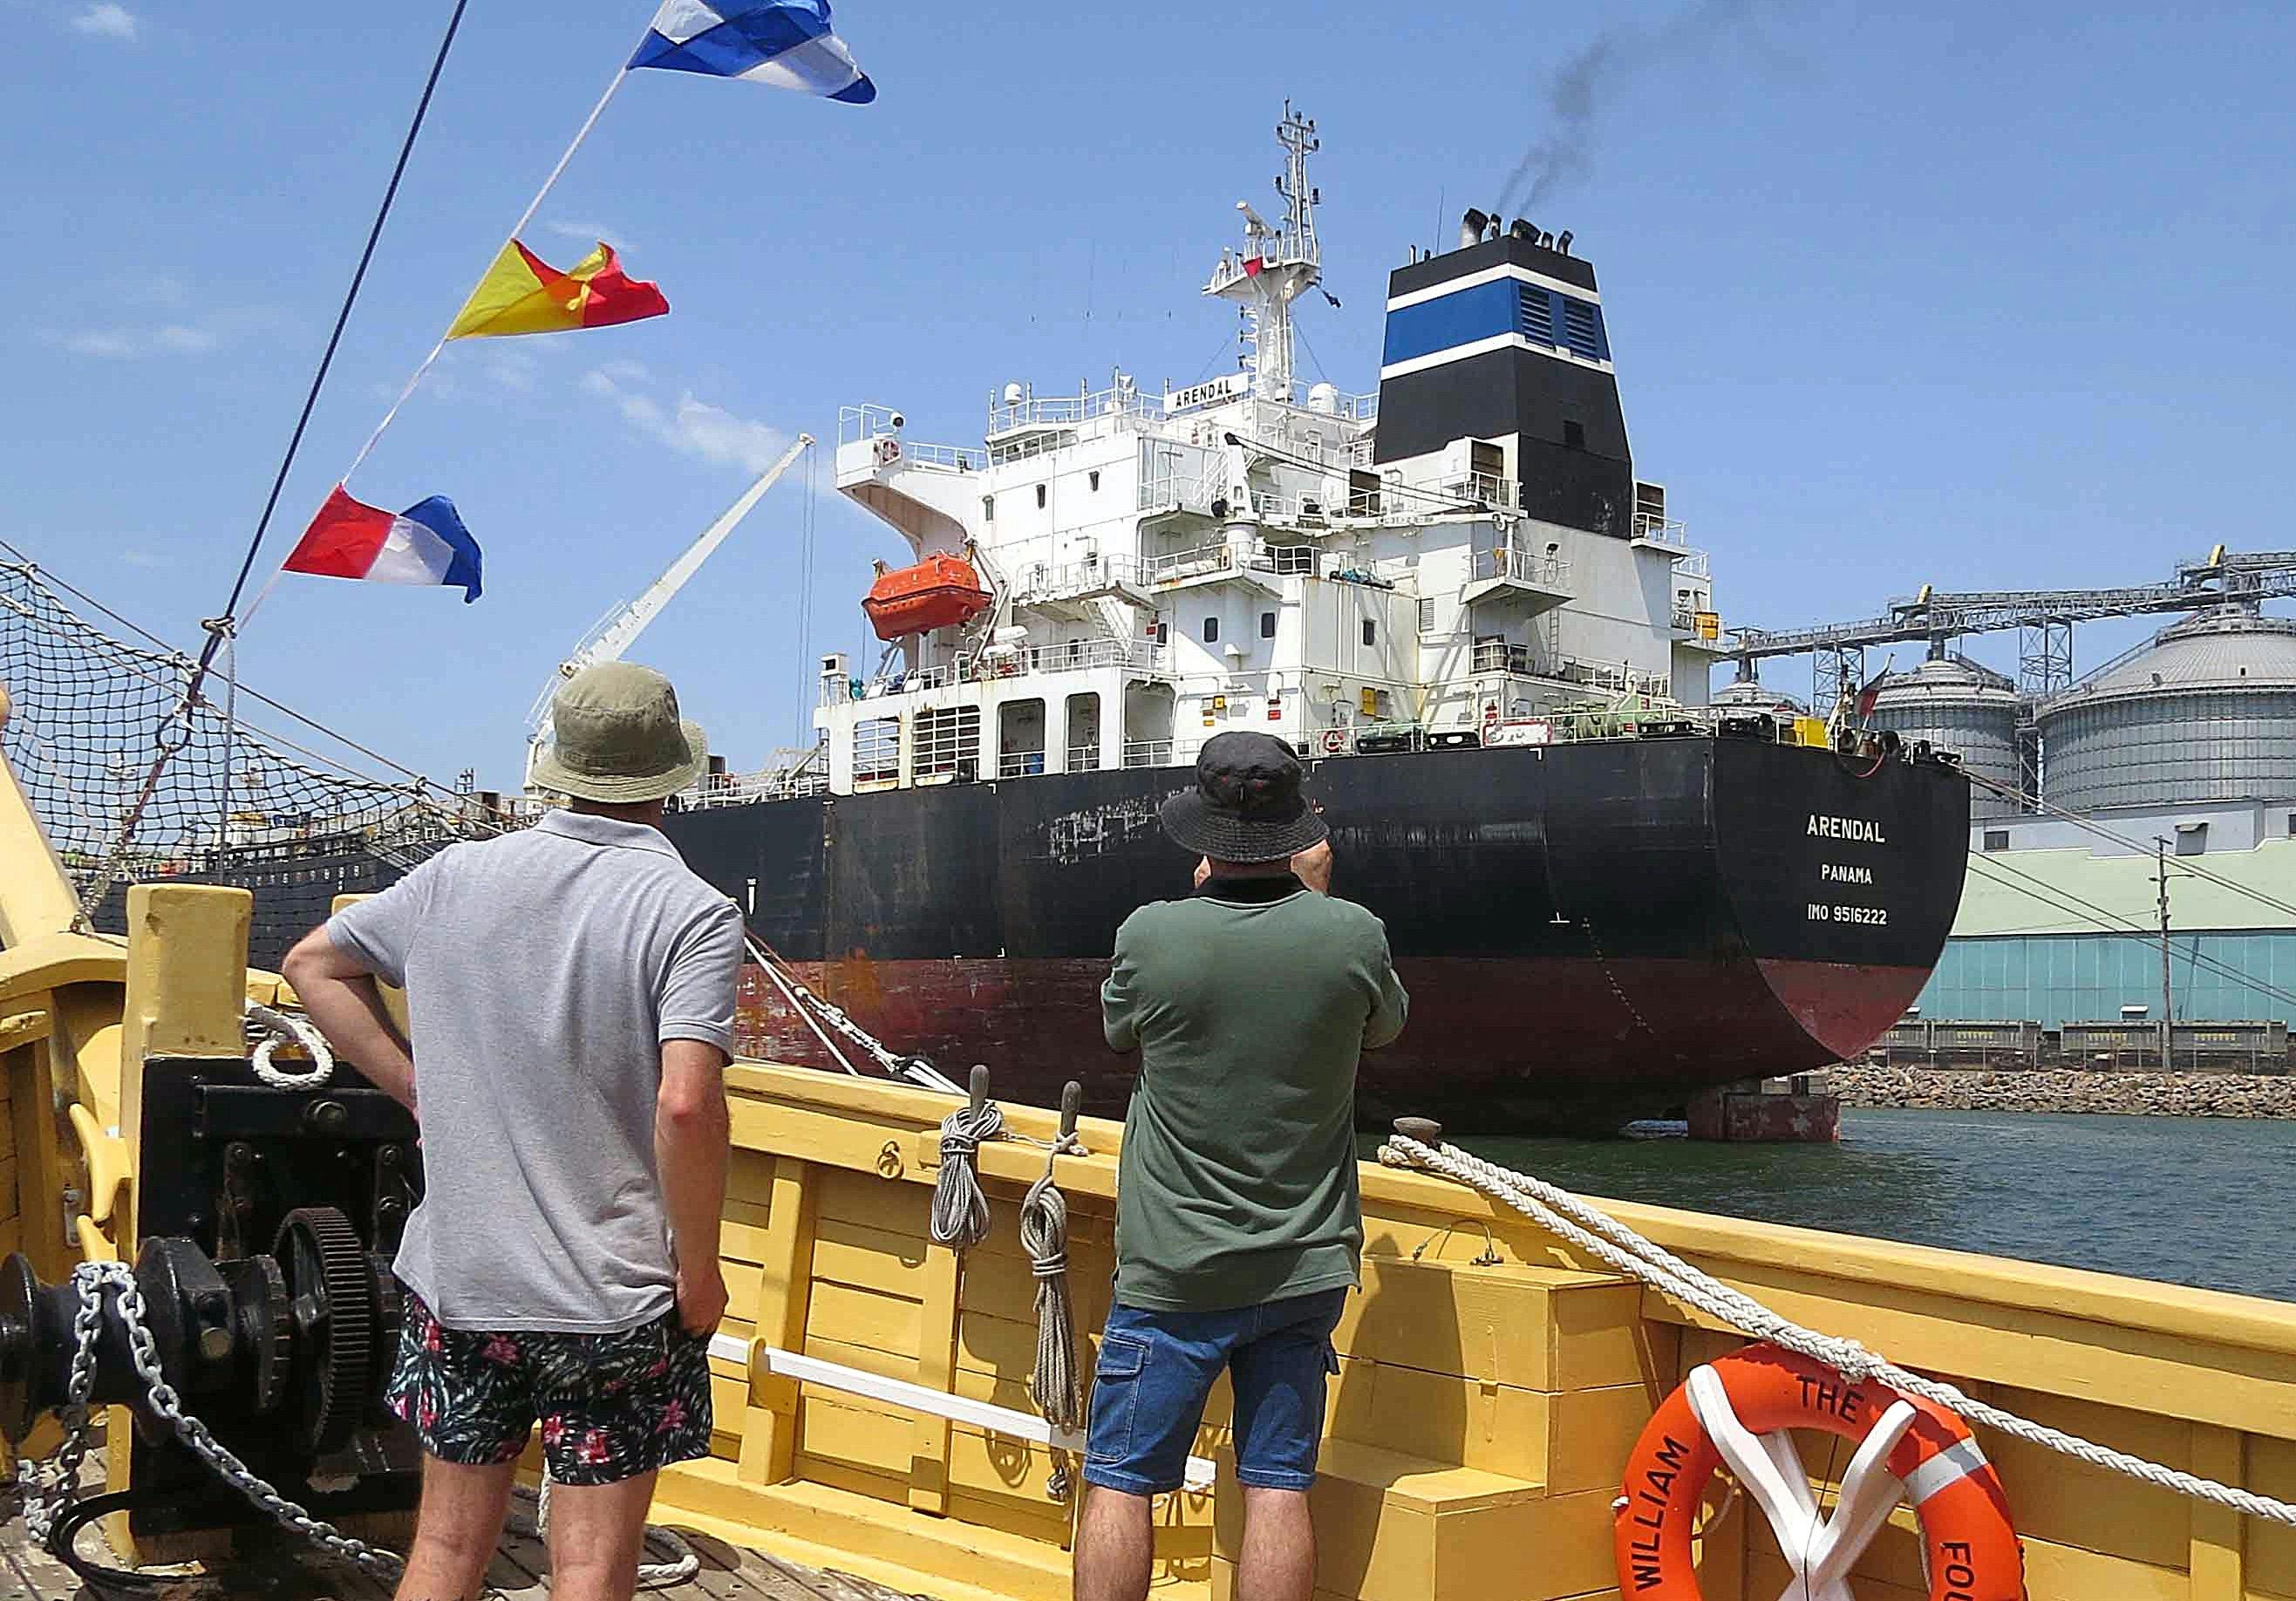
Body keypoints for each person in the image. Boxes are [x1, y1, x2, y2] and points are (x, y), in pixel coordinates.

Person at [282, 662, 744, 1601]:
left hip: (462, 1285)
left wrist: (415, 1087)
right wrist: (698, 1272)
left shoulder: (453, 876)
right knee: (590, 1567)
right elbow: (685, 1107)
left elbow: (310, 965)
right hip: (610, 1299)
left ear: (558, 766)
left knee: (446, 1551)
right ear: (668, 775)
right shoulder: (690, 912)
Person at [1077, 732, 1409, 1601]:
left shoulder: (1150, 934)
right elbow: (1384, 1027)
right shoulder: (1352, 934)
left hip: (1172, 1270)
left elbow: (1119, 1031)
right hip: (1304, 1267)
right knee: (1276, 1487)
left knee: (1119, 1481)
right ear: (1297, 831)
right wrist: (1316, 903)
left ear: (1202, 832)